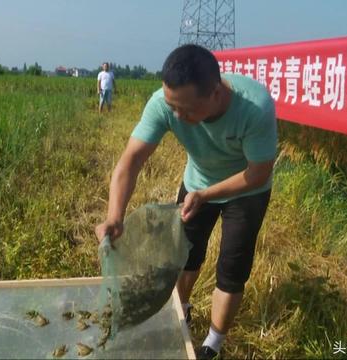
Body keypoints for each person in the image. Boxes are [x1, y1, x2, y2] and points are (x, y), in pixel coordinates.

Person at [94, 44, 277, 359]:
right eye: (172, 106)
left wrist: (207, 195)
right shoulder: (165, 103)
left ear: (216, 94)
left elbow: (258, 173)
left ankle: (213, 345)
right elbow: (130, 162)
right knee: (185, 257)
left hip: (245, 191)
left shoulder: (255, 107)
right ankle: (182, 314)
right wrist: (115, 215)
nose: (177, 115)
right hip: (197, 183)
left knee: (232, 267)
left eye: (187, 110)